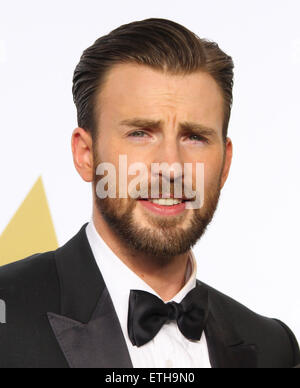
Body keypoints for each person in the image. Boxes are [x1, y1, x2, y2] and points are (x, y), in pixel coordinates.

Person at [0, 18, 299, 368]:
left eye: (195, 137)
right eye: (140, 133)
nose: (171, 167)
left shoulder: (273, 348)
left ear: (225, 163)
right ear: (85, 155)